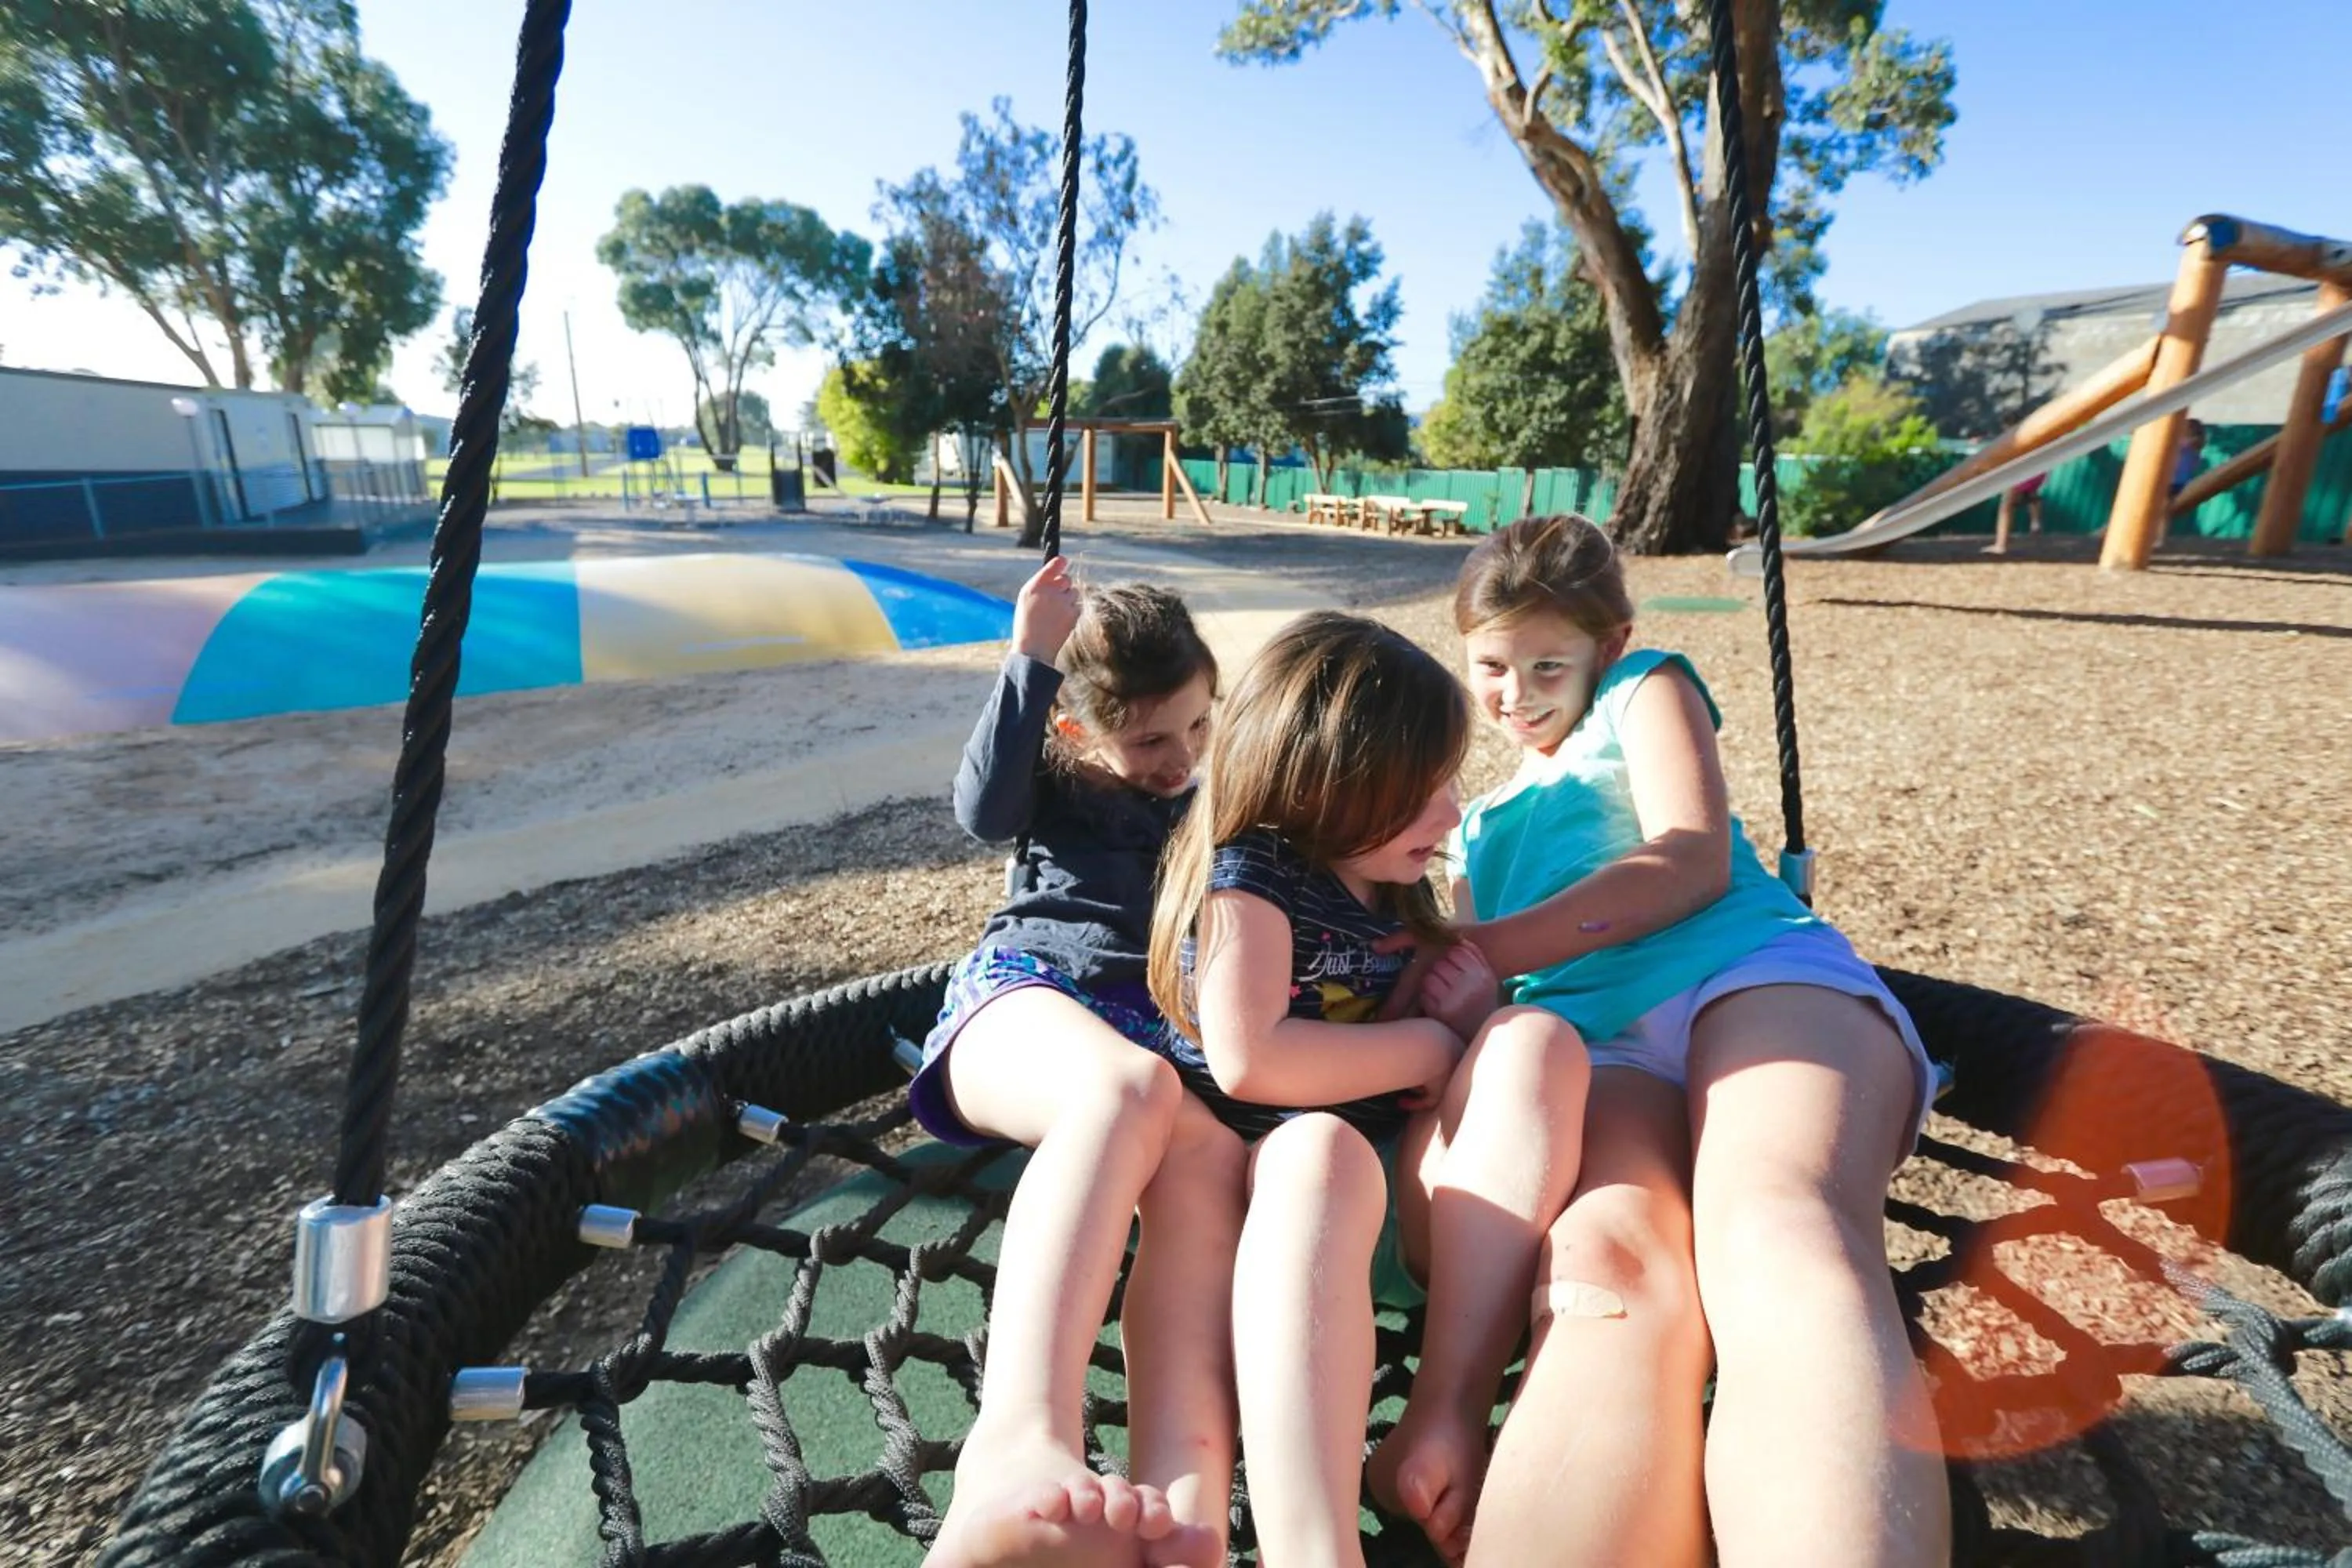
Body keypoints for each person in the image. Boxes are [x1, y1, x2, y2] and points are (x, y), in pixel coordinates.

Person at [1406, 515, 1948, 1568]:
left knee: (1775, 1222)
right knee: (1609, 1266)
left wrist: (1477, 944)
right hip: (1600, 1045)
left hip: (1749, 973)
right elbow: (1493, 995)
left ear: (1606, 644)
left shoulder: (1641, 688)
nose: (1517, 693)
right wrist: (1466, 995)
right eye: (1492, 667)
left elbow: (1690, 858)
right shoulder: (1476, 826)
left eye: (1548, 664)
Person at [1146, 612, 1594, 1568]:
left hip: (1421, 1210)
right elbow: (1250, 1057)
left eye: (1448, 784)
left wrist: (1469, 1014)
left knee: (1537, 1039)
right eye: (1422, 793)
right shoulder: (1252, 876)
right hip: (1280, 1218)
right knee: (1321, 1149)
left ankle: (1446, 1410)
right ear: (1325, 786)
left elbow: (1452, 1061)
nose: (1451, 814)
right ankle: (1314, 1545)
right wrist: (1428, 1045)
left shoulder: (1391, 881)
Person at [910, 557, 1236, 1568]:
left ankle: (1183, 1511)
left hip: (1148, 1042)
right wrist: (1031, 657)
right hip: (1022, 1002)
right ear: (1076, 728)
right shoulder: (1049, 789)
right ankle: (1014, 1442)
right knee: (1128, 1087)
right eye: (1149, 740)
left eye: (1197, 726)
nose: (1179, 757)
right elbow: (981, 808)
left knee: (1212, 1163)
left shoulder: (1203, 808)